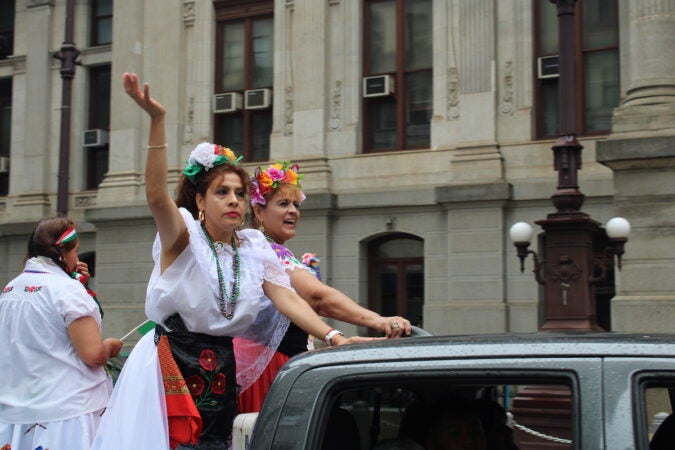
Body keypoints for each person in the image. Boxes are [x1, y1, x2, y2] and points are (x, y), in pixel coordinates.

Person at [91, 73, 376, 450]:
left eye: (240, 193)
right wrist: (157, 120)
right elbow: (157, 196)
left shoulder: (252, 246)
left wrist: (334, 337)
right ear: (199, 201)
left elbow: (288, 298)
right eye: (221, 192)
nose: (233, 200)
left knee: (218, 441)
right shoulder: (184, 237)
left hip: (221, 362)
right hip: (172, 358)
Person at [239, 161, 412, 412]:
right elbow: (317, 297)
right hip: (266, 368)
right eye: (283, 204)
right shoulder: (264, 251)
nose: (293, 212)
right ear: (258, 210)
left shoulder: (269, 250)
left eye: (296, 205)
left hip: (280, 363)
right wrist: (380, 321)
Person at [0, 217, 123, 450]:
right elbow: (93, 355)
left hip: (15, 412)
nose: (77, 258)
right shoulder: (66, 291)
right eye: (75, 251)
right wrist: (112, 346)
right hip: (66, 415)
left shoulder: (10, 289)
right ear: (61, 254)